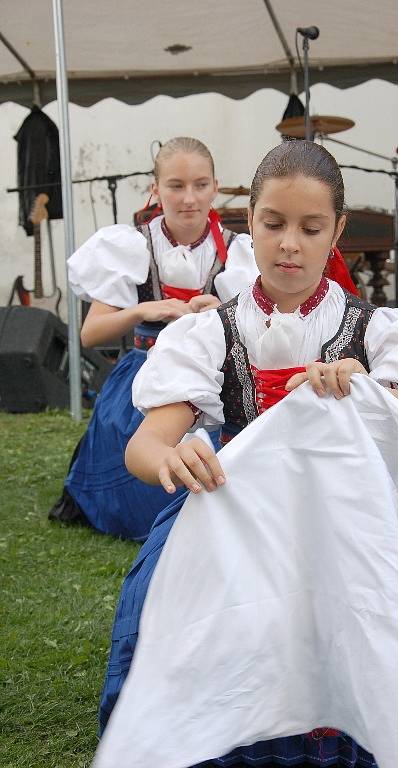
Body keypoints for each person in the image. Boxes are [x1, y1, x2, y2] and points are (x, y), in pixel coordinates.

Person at [95, 140, 398, 765]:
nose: (290, 243)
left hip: (357, 508)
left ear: (337, 231)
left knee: (386, 578)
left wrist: (371, 393)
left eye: (311, 228)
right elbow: (145, 443)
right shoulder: (210, 333)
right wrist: (168, 458)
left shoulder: (375, 328)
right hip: (243, 507)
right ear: (249, 224)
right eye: (274, 224)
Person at [48, 136, 261, 540]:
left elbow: (259, 330)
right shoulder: (132, 244)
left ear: (216, 187)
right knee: (138, 473)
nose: (189, 198)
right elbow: (91, 334)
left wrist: (221, 311)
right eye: (176, 186)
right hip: (142, 376)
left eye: (200, 185)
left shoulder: (239, 253)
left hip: (209, 377)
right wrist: (145, 311)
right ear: (155, 189)